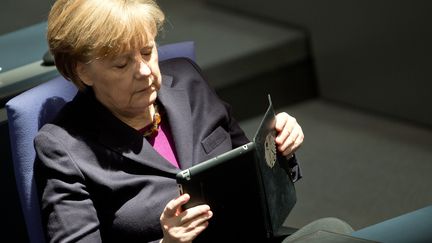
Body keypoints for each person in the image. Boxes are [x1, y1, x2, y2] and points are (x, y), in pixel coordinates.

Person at [33, 0, 351, 242]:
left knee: (334, 230)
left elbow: (253, 175)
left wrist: (280, 145)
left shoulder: (187, 80)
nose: (144, 71)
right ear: (82, 71)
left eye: (147, 51)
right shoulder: (64, 147)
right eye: (121, 64)